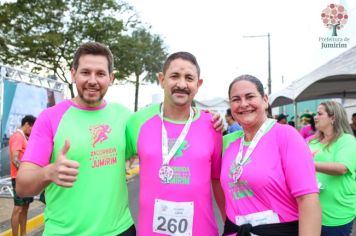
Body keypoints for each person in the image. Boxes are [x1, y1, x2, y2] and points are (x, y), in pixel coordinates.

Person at [16, 42, 136, 235]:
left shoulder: (124, 117)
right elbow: (22, 186)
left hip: (120, 230)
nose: (93, 80)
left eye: (100, 73)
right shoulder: (50, 118)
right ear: (73, 74)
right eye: (85, 72)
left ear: (111, 78)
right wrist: (49, 172)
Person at [126, 52, 225, 235]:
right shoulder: (137, 122)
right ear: (162, 79)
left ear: (198, 84)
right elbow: (114, 168)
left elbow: (218, 180)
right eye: (174, 76)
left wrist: (228, 224)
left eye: (189, 78)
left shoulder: (212, 126)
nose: (181, 84)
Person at [221, 74, 321, 236]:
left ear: (265, 100)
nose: (243, 104)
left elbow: (308, 200)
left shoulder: (286, 136)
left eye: (250, 96)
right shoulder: (227, 142)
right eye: (236, 99)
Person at [308, 101, 356, 236]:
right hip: (311, 209)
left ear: (333, 118)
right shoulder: (312, 141)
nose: (315, 117)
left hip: (337, 210)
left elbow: (342, 168)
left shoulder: (347, 140)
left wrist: (308, 164)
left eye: (319, 114)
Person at [9, 115, 36, 236]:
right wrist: (25, 171)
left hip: (26, 178)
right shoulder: (18, 137)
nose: (33, 131)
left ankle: (23, 234)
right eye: (32, 128)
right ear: (27, 125)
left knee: (25, 208)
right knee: (18, 208)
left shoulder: (24, 137)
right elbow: (15, 158)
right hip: (19, 178)